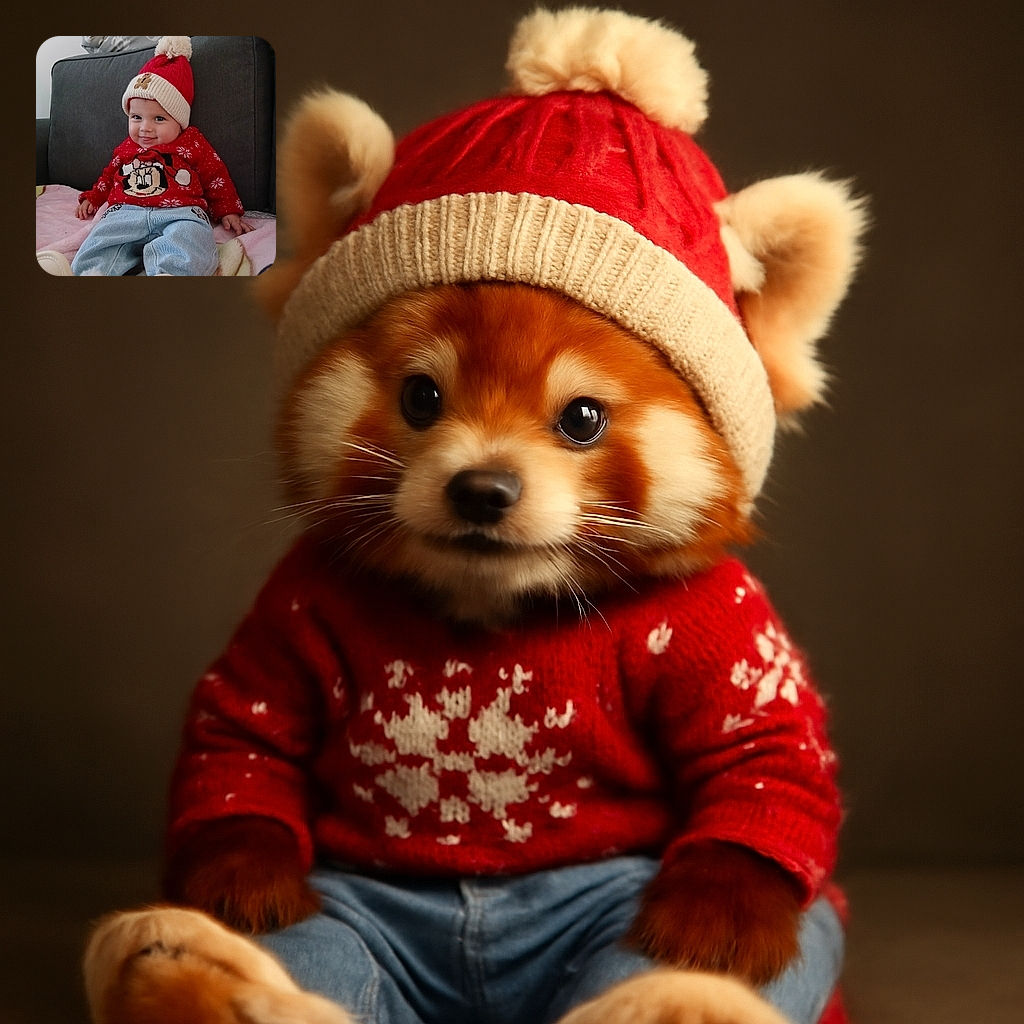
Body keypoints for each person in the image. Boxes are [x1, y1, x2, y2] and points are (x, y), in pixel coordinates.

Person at [40, 36, 250, 276]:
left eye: (159, 119)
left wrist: (228, 210)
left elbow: (215, 176)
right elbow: (109, 175)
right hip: (126, 211)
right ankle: (90, 272)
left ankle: (170, 273)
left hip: (180, 212)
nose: (144, 128)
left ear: (179, 122)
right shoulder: (127, 147)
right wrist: (94, 197)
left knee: (191, 239)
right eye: (136, 117)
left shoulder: (192, 142)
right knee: (101, 238)